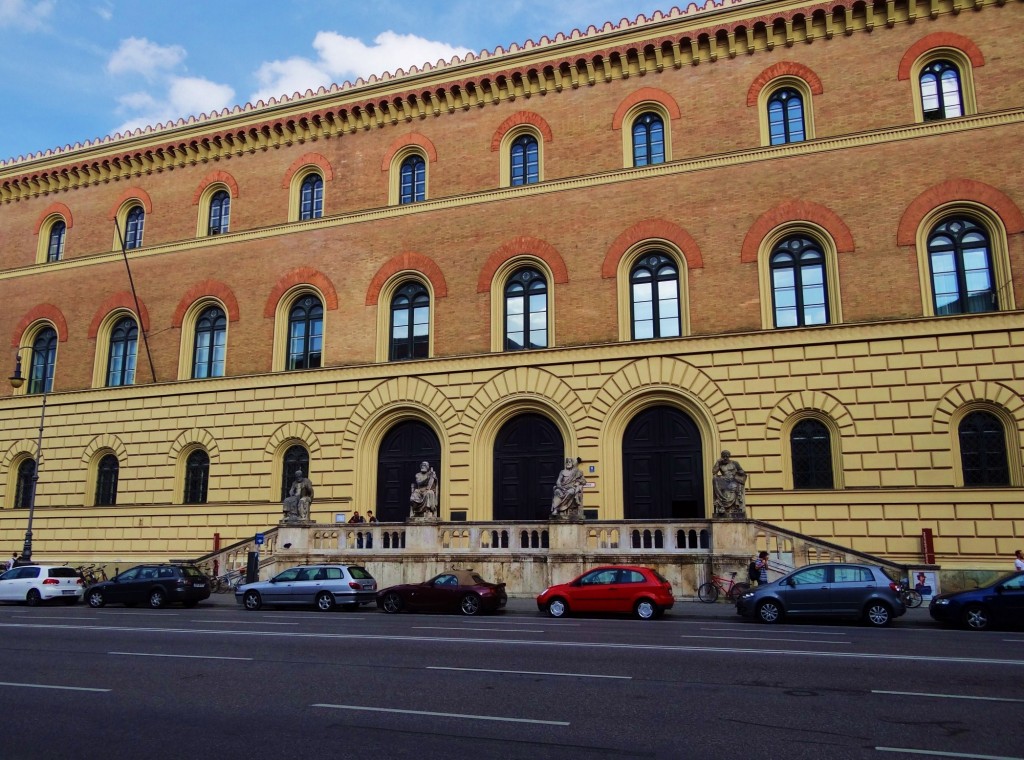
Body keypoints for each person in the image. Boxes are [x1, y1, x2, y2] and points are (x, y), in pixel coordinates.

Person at [712, 450, 747, 517]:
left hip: (733, 480)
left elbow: (741, 471)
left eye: (727, 456)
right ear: (721, 457)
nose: (725, 458)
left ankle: (729, 506)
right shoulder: (720, 464)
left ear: (729, 456)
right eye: (723, 456)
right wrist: (717, 462)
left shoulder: (735, 463)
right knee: (715, 479)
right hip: (724, 479)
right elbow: (714, 471)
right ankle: (721, 502)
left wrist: (740, 472)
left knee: (732, 486)